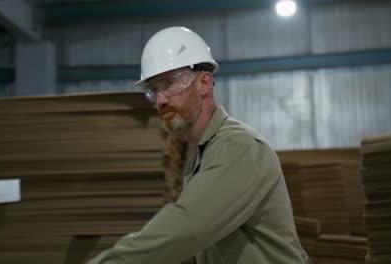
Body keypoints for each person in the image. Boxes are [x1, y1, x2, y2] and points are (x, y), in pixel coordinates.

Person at [88, 26, 310, 264]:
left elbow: (188, 227)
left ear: (204, 82)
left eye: (169, 83)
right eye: (154, 90)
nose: (161, 100)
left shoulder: (238, 146)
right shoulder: (200, 157)